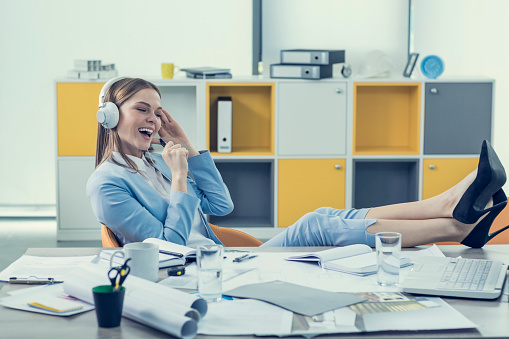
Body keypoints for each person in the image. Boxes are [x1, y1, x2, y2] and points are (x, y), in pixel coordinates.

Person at [87, 77, 508, 249]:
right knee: (316, 225)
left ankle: (449, 204)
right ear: (110, 116)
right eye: (143, 109)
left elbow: (220, 206)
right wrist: (179, 177)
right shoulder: (107, 184)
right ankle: (458, 225)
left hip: (222, 261)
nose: (154, 120)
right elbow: (170, 248)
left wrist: (190, 151)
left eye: (158, 112)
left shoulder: (155, 165)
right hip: (201, 277)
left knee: (327, 214)